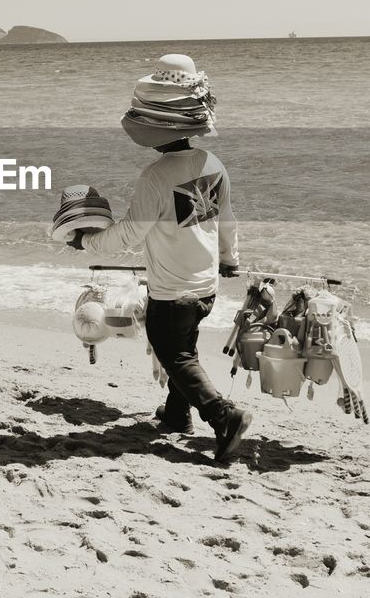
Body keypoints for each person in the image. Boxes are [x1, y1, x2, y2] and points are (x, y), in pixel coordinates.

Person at [69, 54, 252, 463]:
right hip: (206, 285)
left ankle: (224, 416)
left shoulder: (156, 176)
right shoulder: (213, 164)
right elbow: (227, 219)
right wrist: (230, 259)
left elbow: (132, 232)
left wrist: (87, 243)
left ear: (153, 130)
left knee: (175, 354)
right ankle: (175, 415)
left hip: (172, 288)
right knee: (183, 348)